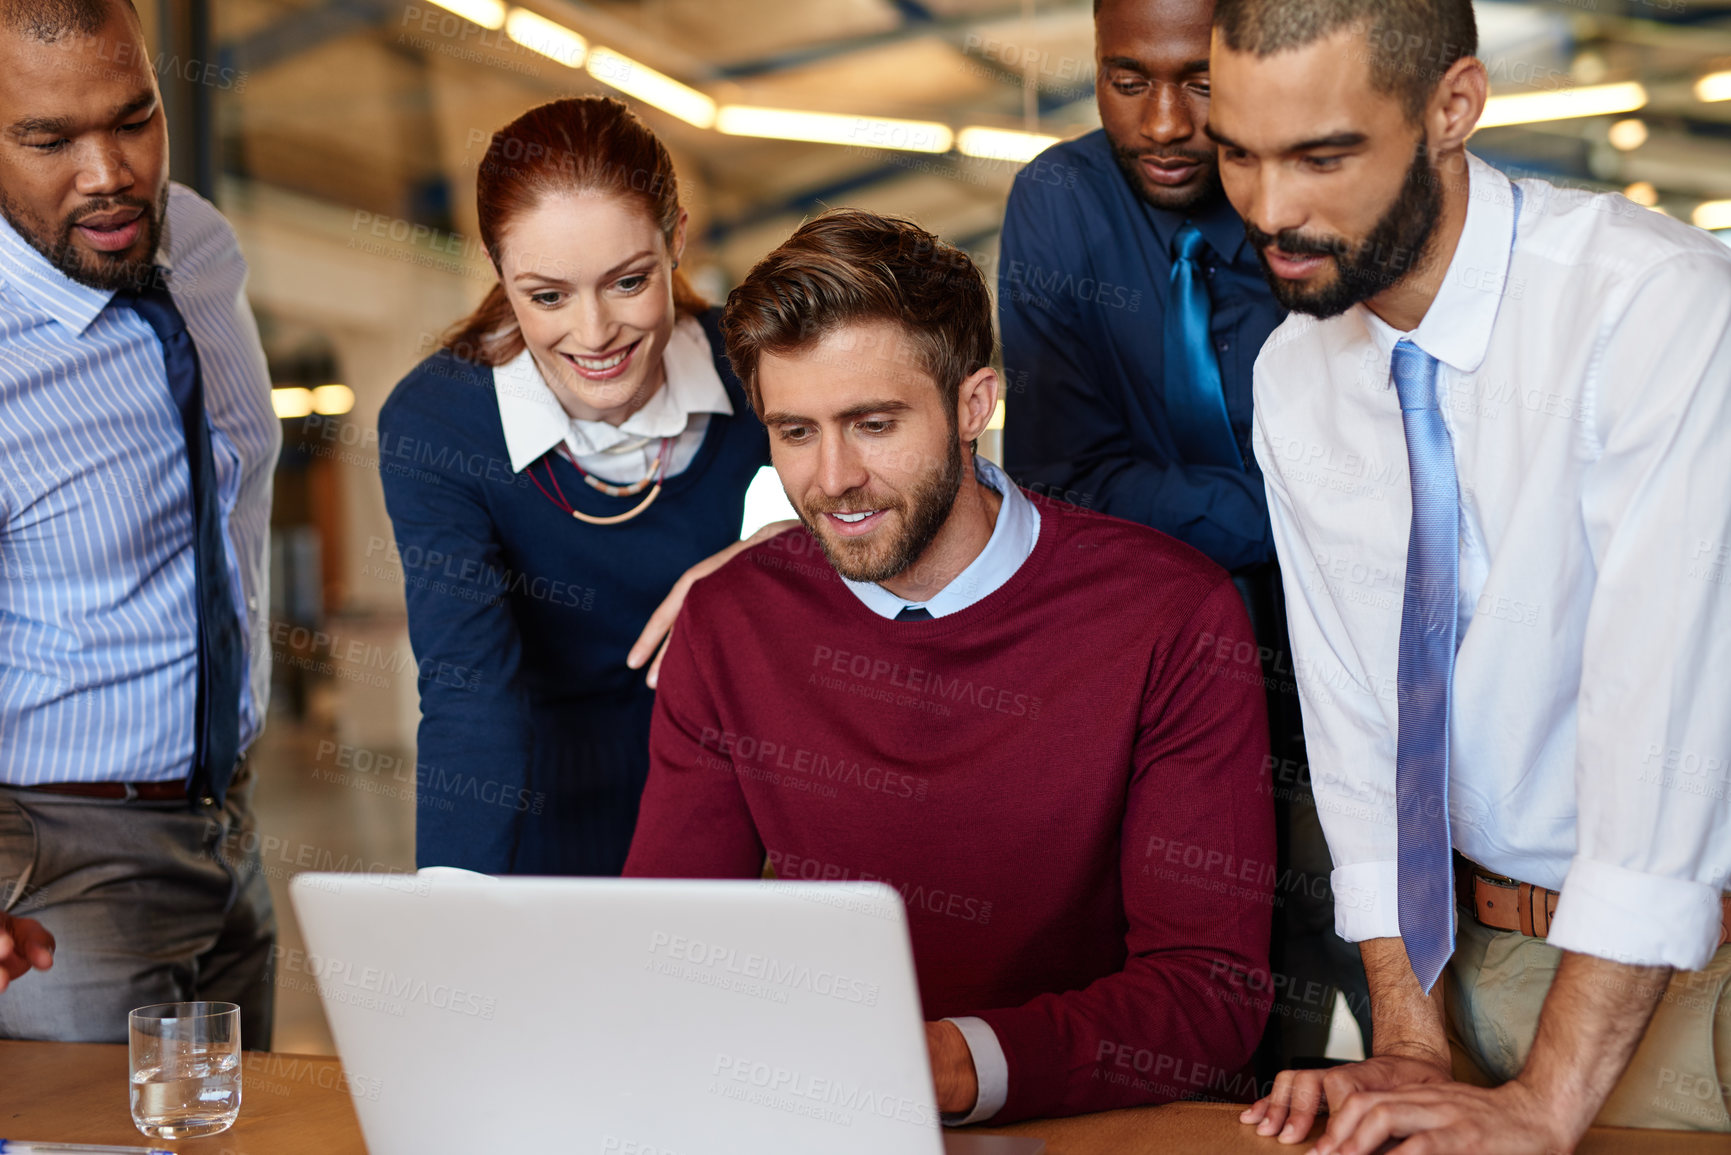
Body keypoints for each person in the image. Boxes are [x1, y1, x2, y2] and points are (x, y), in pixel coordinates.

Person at [1206, 0, 1731, 1150]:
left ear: (1454, 106)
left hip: (1688, 985)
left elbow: (1665, 744)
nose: (1270, 210)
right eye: (1237, 153)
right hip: (1472, 966)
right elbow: (1357, 742)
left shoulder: (1654, 308)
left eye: (1322, 156)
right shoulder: (1296, 374)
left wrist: (1545, 1108)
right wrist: (1405, 1042)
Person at [624, 208, 1276, 1124]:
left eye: (873, 422)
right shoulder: (730, 622)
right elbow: (669, 948)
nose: (833, 478)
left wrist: (957, 1063)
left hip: (1094, 1130)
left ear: (975, 403)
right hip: (822, 1123)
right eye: (796, 431)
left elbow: (1211, 994)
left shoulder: (1170, 612)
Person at [998, 0, 1367, 1063]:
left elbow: (1374, 472)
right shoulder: (1061, 204)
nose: (1163, 123)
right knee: (1214, 1012)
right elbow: (1064, 483)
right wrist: (1283, 506)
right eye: (1127, 80)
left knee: (1395, 991)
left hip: (1349, 663)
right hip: (1161, 677)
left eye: (1199, 82)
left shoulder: (1318, 194)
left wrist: (1189, 499)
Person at [378, 97, 779, 876]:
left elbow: (896, 504)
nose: (594, 335)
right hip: (534, 817)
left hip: (723, 806)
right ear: (499, 272)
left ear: (677, 243)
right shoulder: (440, 422)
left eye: (628, 281)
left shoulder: (753, 366)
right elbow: (468, 693)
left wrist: (776, 551)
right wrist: (450, 914)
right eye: (548, 296)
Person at [0, 0, 279, 1043]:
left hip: (228, 824)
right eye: (48, 138)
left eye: (134, 117)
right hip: (51, 868)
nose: (108, 171)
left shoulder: (199, 241)